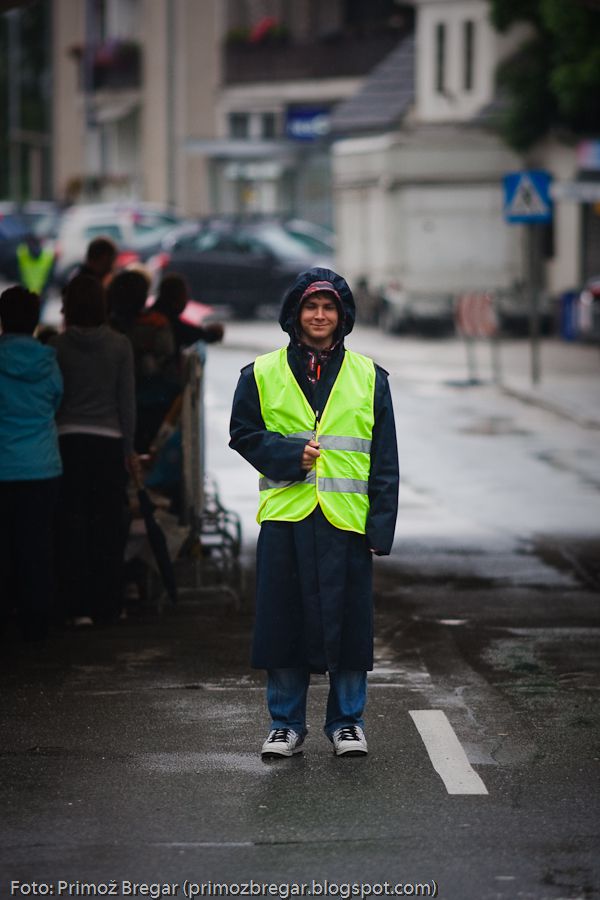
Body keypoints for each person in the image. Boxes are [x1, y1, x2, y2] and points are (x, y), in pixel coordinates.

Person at [229, 267, 399, 759]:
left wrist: (380, 526)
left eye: (329, 308)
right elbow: (243, 434)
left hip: (346, 521)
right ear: (295, 314)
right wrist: (288, 454)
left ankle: (347, 724)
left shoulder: (370, 376)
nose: (320, 315)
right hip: (287, 518)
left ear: (342, 316)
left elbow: (384, 459)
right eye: (311, 307)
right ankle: (285, 725)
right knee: (283, 625)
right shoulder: (260, 372)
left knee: (349, 627)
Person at [52, 274, 138, 626]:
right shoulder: (120, 346)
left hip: (67, 441)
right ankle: (109, 603)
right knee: (108, 526)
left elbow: (54, 399)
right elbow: (126, 403)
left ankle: (78, 606)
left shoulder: (56, 347)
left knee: (72, 524)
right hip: (108, 441)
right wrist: (129, 449)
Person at [0, 286, 63, 641]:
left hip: (2, 467)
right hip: (42, 467)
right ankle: (37, 622)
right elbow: (56, 399)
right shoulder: (48, 360)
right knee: (37, 545)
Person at [107, 268, 179, 453]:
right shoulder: (157, 323)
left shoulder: (107, 327)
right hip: (152, 401)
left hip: (113, 405)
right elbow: (167, 354)